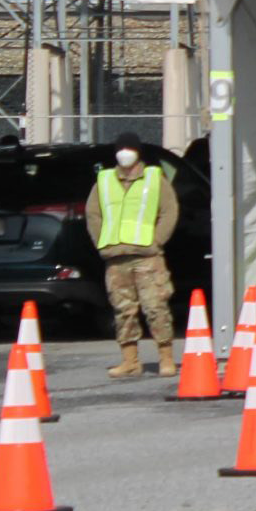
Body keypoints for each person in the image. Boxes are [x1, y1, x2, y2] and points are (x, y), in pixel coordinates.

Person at [83, 131, 179, 378]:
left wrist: (157, 240)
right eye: (120, 149)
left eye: (129, 149)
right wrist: (101, 244)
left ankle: (165, 358)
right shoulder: (104, 181)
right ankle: (130, 360)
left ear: (137, 152)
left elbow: (169, 211)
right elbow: (93, 214)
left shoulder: (154, 179)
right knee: (123, 309)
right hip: (116, 256)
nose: (124, 153)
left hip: (147, 255)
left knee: (155, 306)